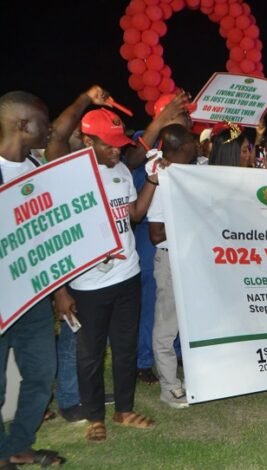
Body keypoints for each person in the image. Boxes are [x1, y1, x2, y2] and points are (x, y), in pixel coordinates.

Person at [53, 108, 158, 442]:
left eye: (119, 145)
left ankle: (124, 409)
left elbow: (135, 215)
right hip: (88, 284)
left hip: (127, 275)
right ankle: (94, 416)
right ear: (87, 141)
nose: (117, 151)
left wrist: (153, 180)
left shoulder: (123, 171)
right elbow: (58, 235)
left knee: (125, 349)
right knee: (90, 354)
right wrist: (61, 290)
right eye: (109, 145)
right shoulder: (68, 177)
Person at [0, 91, 63, 467]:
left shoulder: (42, 169)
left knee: (41, 373)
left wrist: (60, 290)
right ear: (23, 125)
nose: (50, 127)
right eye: (44, 120)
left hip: (34, 296)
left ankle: (18, 446)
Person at [147, 124, 198, 408]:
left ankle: (193, 377)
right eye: (191, 140)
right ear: (179, 146)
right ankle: (169, 386)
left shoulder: (183, 174)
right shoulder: (162, 179)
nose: (196, 144)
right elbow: (155, 234)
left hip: (189, 257)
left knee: (190, 323)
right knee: (167, 326)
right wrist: (190, 220)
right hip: (169, 259)